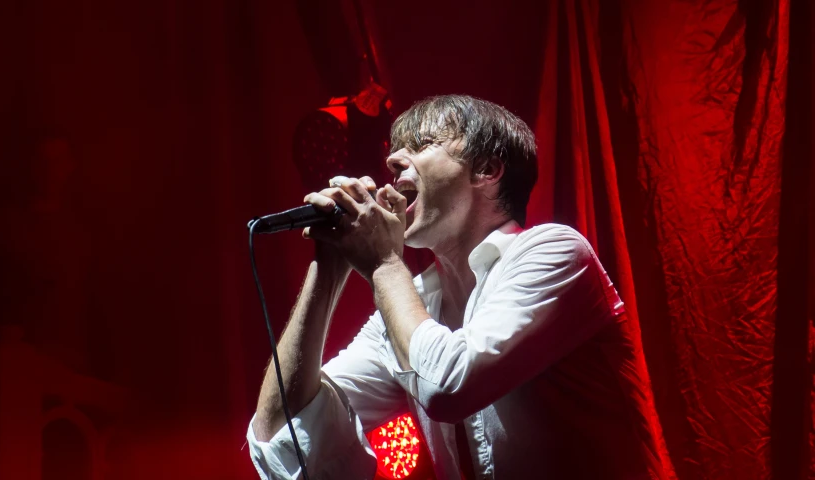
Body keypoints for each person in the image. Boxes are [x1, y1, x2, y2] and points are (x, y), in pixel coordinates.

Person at [247, 95, 670, 479]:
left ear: (486, 169)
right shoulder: (404, 308)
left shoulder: (556, 252)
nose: (393, 160)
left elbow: (449, 387)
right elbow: (282, 437)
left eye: (422, 144)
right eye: (394, 149)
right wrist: (329, 265)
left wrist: (383, 261)